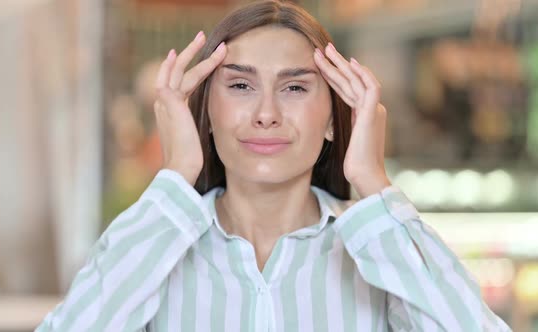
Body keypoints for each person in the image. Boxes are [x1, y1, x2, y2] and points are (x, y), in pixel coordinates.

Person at [36, 1, 512, 331]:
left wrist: (374, 184)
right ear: (206, 111)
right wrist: (177, 172)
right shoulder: (157, 248)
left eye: (295, 87)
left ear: (333, 117)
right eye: (240, 86)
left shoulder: (378, 252)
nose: (266, 112)